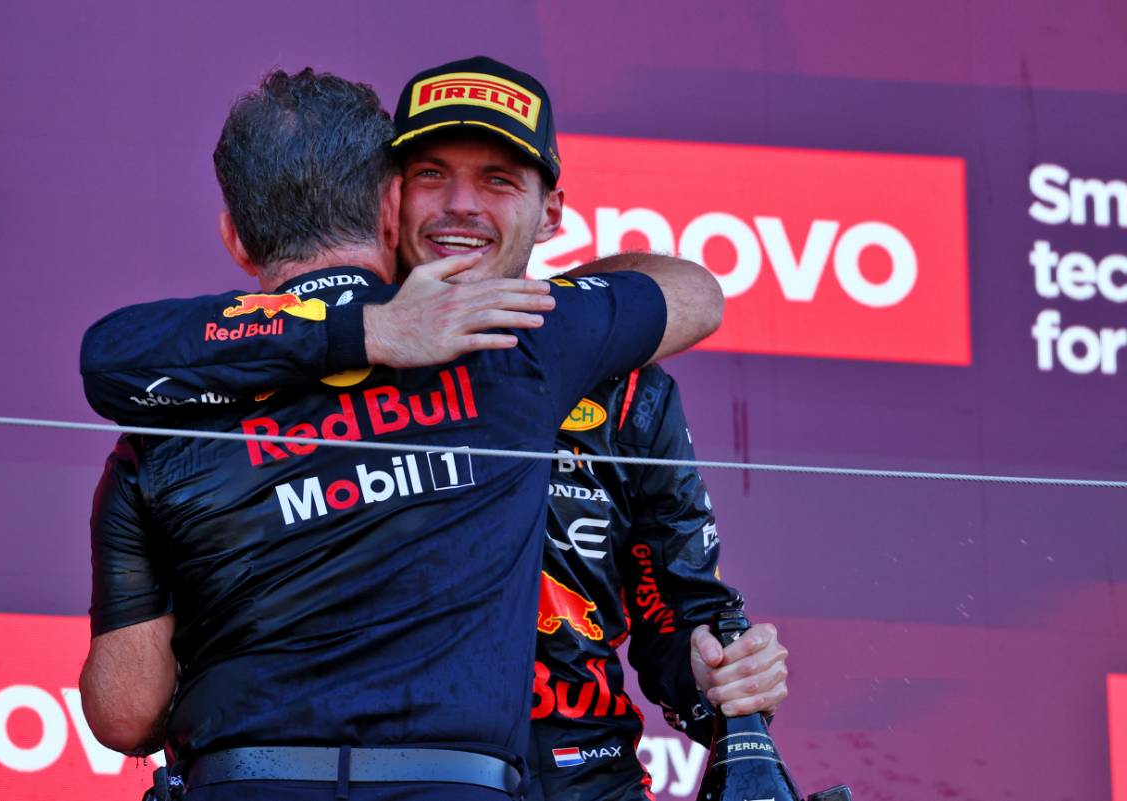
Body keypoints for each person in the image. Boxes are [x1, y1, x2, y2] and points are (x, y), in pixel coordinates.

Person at [83, 57, 788, 801]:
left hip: (575, 780)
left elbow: (682, 610)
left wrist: (720, 671)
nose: (460, 206)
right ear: (389, 201)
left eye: (498, 181)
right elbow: (116, 354)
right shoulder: (278, 357)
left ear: (550, 213)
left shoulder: (600, 373)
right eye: (431, 175)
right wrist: (369, 327)